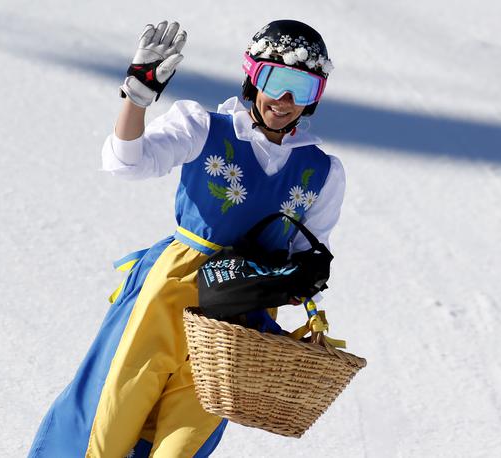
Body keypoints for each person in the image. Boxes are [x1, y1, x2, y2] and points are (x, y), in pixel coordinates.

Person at [28, 18, 345, 457]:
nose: (287, 100)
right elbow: (126, 162)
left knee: (184, 446)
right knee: (108, 424)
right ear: (253, 76)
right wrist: (135, 100)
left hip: (239, 316)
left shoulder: (322, 170)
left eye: (303, 87)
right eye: (277, 80)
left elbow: (308, 250)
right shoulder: (204, 127)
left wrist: (305, 276)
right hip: (169, 292)